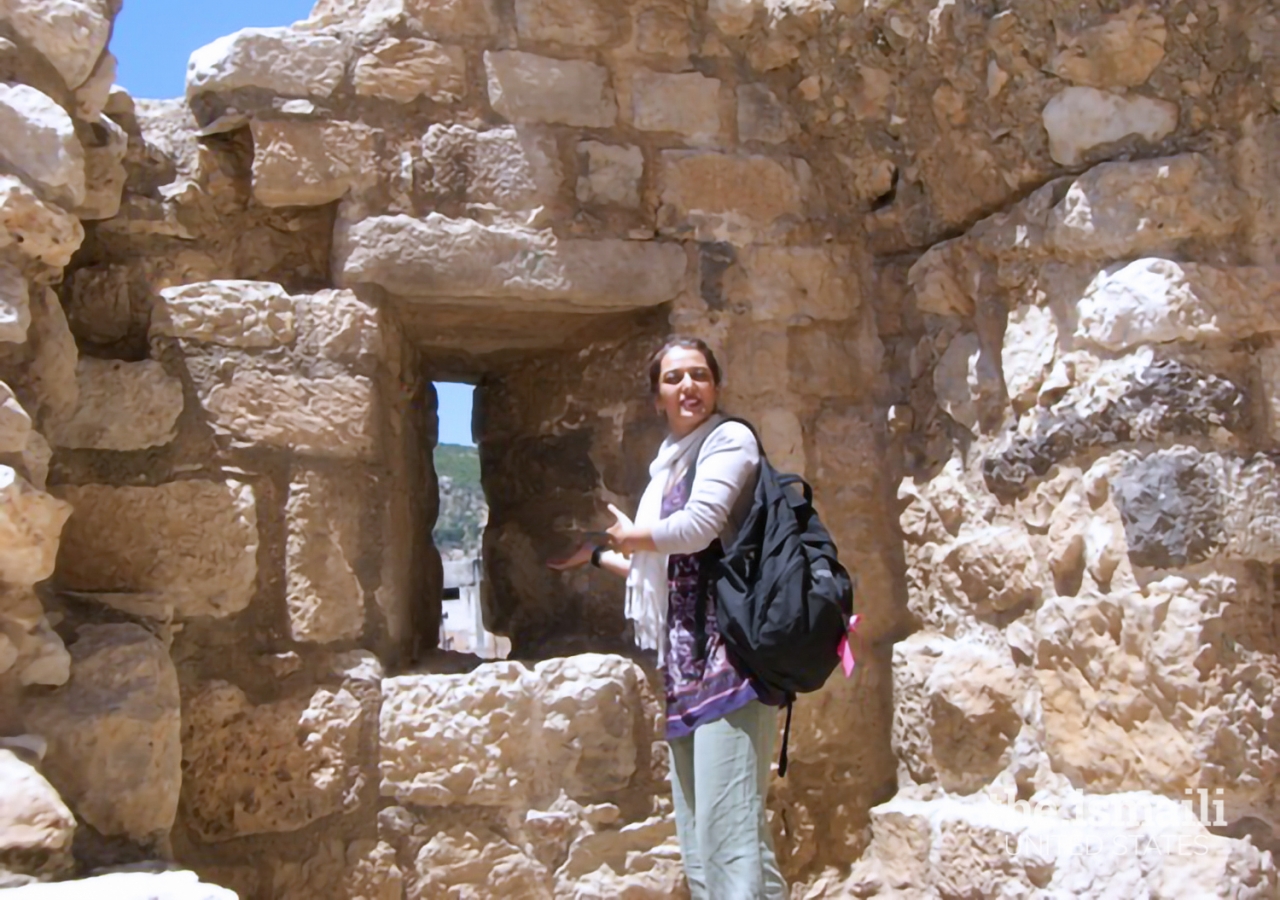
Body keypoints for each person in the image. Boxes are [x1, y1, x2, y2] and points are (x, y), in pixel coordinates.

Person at [548, 337, 788, 900]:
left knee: (729, 843)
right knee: (708, 839)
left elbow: (699, 526)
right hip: (685, 674)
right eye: (674, 378)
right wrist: (601, 555)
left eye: (699, 376)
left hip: (732, 667)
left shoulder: (730, 440)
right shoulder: (667, 470)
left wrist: (634, 536)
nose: (688, 387)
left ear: (716, 387)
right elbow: (668, 579)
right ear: (657, 396)